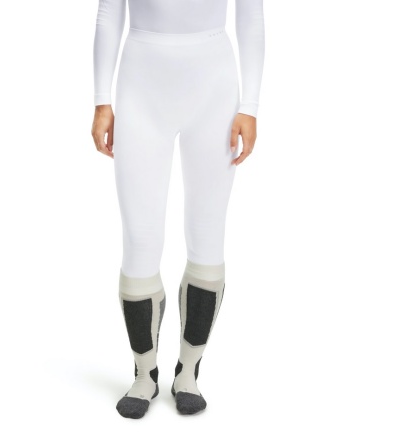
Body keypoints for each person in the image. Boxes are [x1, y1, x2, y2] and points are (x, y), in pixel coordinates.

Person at [90, 0, 265, 418]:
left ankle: (188, 371)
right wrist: (101, 100)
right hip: (140, 85)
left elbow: (251, 14)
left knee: (207, 233)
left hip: (214, 88)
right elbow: (109, 11)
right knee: (140, 237)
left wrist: (251, 106)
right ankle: (144, 373)